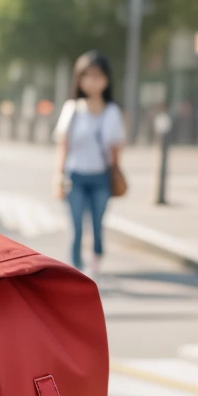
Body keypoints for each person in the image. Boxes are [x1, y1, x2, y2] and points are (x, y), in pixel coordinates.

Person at [52, 50, 125, 276]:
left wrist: (115, 173)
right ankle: (76, 270)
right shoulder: (72, 109)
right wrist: (59, 174)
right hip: (75, 175)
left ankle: (95, 264)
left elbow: (116, 148)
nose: (92, 81)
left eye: (98, 76)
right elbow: (63, 145)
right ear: (79, 79)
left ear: (106, 80)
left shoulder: (112, 112)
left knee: (97, 224)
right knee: (75, 226)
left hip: (101, 176)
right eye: (87, 76)